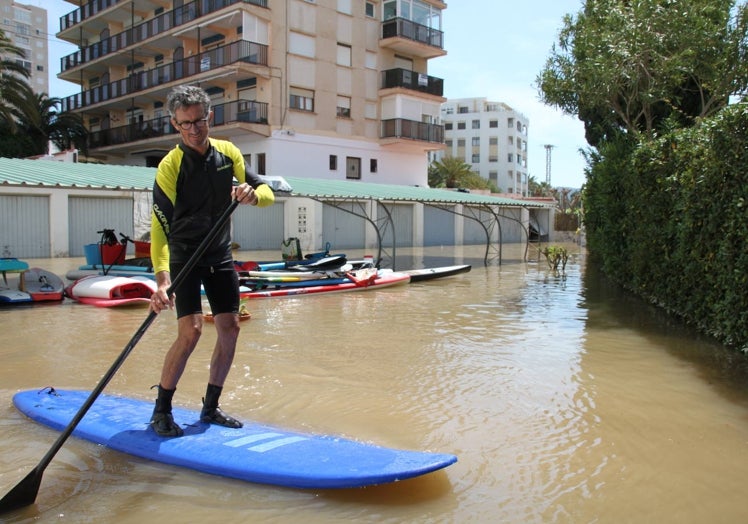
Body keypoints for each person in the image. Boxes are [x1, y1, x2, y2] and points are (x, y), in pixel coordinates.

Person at [148, 85, 274, 437]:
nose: (193, 129)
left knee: (230, 327)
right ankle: (161, 411)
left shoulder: (228, 153)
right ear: (175, 124)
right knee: (190, 331)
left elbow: (267, 192)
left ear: (210, 117)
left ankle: (210, 407)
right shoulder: (170, 167)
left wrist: (252, 193)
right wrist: (161, 281)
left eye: (199, 120)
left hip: (218, 253)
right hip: (184, 256)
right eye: (185, 123)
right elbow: (159, 230)